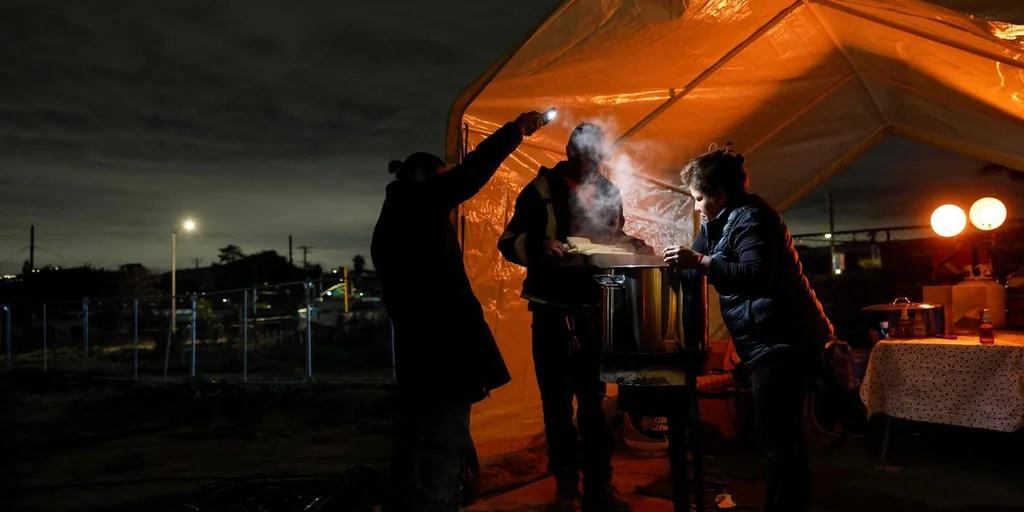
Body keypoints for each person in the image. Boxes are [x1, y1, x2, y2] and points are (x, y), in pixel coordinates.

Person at [371, 110, 546, 512]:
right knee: (444, 437)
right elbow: (470, 175)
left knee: (416, 433)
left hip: (419, 349)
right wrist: (515, 130)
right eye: (441, 176)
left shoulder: (395, 215)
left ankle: (404, 502)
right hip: (441, 348)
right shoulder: (415, 202)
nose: (447, 186)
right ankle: (435, 505)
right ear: (424, 176)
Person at [662, 144, 834, 512]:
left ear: (719, 194)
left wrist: (702, 261)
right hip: (770, 341)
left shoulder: (753, 217)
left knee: (779, 441)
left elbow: (756, 275)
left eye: (697, 199)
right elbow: (696, 256)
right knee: (779, 439)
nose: (695, 207)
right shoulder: (720, 222)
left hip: (785, 341)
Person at [498, 122, 644, 512]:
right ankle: (566, 488)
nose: (592, 161)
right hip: (550, 312)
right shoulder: (540, 191)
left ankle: (600, 486)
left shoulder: (610, 192)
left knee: (594, 404)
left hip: (596, 312)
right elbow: (507, 241)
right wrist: (538, 244)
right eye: (586, 153)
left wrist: (631, 248)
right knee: (557, 404)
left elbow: (616, 238)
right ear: (570, 150)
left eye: (598, 154)